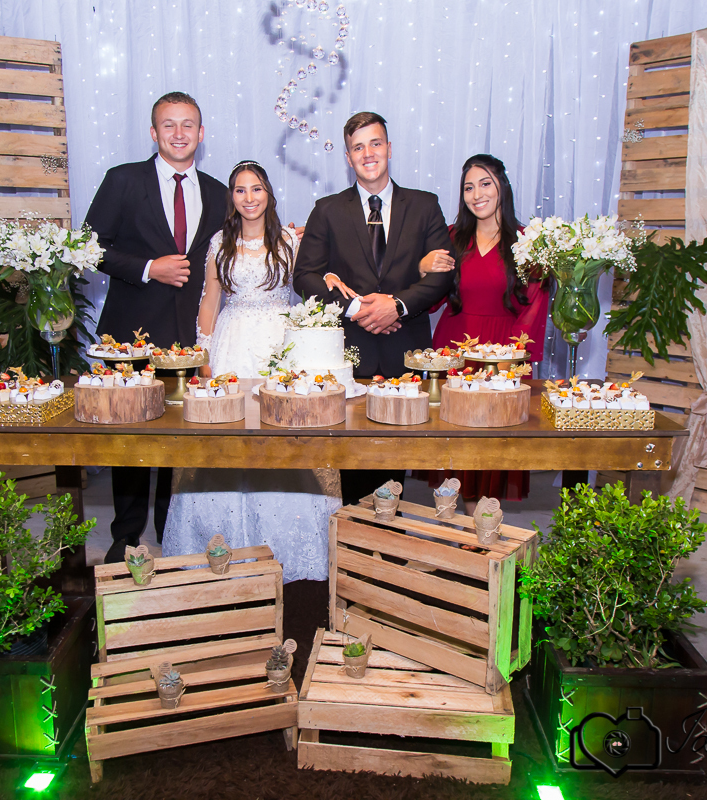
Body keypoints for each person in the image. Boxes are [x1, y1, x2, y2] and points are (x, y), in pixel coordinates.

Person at [162, 161, 342, 582]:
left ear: (268, 193)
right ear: (232, 197)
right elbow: (209, 300)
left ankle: (290, 546)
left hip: (281, 346)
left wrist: (330, 273)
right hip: (231, 345)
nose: (249, 197)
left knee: (285, 437)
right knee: (224, 440)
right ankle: (221, 544)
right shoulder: (219, 242)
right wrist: (204, 354)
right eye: (241, 190)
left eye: (256, 188)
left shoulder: (289, 240)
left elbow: (310, 281)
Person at [84, 91, 228, 563]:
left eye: (188, 125)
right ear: (153, 132)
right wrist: (148, 268)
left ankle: (174, 533)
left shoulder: (218, 192)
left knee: (179, 438)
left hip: (188, 337)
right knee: (130, 438)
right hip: (130, 334)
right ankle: (125, 536)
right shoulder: (124, 180)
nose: (179, 133)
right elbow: (89, 246)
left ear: (201, 134)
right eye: (169, 124)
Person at [293, 111, 454, 504]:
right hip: (349, 354)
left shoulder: (425, 205)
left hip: (406, 350)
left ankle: (389, 532)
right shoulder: (327, 209)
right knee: (350, 459)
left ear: (389, 148)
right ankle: (353, 533)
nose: (368, 154)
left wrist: (397, 305)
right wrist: (355, 309)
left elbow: (443, 274)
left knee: (395, 459)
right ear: (348, 157)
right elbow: (305, 276)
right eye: (358, 147)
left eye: (375, 143)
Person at [425, 153, 549, 501]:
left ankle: (483, 518)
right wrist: (423, 266)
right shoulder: (451, 237)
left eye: (485, 184)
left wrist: (513, 358)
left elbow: (536, 302)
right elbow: (431, 299)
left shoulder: (527, 241)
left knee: (492, 445)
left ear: (502, 187)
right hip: (453, 349)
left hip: (502, 352)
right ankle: (459, 517)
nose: (476, 194)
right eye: (468, 187)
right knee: (454, 442)